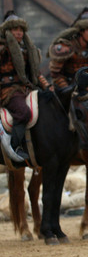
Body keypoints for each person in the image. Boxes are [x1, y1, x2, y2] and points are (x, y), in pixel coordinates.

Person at [0, 11, 51, 162]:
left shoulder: (27, 49)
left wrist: (47, 87)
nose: (19, 33)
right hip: (7, 91)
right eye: (15, 29)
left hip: (27, 89)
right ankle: (14, 146)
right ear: (8, 31)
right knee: (23, 113)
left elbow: (35, 74)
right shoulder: (2, 49)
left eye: (21, 29)